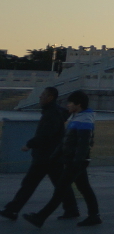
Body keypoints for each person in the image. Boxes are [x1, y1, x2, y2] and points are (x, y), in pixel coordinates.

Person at [23, 91, 101, 227]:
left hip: (75, 162)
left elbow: (83, 145)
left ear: (78, 104)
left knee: (60, 189)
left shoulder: (84, 120)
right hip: (75, 161)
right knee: (84, 188)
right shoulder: (78, 117)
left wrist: (76, 163)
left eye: (70, 103)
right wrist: (54, 157)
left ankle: (40, 217)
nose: (68, 105)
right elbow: (65, 141)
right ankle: (94, 216)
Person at [3, 86, 78, 222]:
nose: (40, 96)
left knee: (30, 184)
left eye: (43, 94)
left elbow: (45, 134)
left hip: (46, 156)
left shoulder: (51, 114)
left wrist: (29, 144)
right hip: (52, 155)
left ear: (50, 97)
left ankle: (12, 210)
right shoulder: (54, 112)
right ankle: (71, 209)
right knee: (60, 184)